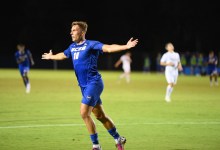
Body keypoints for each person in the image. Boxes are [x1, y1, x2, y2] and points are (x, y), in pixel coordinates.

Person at [42, 21, 138, 150]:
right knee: (100, 116)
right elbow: (63, 55)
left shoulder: (91, 44)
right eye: (71, 30)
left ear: (82, 32)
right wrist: (52, 56)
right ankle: (118, 138)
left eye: (74, 30)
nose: (71, 32)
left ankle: (96, 146)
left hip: (94, 83)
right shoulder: (72, 47)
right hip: (83, 86)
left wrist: (125, 47)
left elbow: (108, 47)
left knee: (83, 113)